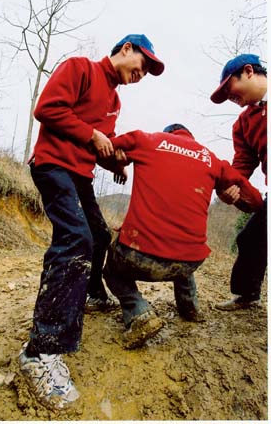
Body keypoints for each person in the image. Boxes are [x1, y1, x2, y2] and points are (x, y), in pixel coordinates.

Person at [18, 34, 164, 410]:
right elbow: (48, 109)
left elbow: (97, 146)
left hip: (80, 174)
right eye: (142, 64)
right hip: (52, 165)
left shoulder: (114, 101)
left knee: (99, 235)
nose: (142, 73)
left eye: (148, 71)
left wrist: (114, 160)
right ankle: (41, 350)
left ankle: (90, 293)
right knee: (76, 238)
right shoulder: (79, 68)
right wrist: (93, 134)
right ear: (126, 48)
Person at [102, 123, 264, 350]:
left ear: (168, 134)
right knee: (184, 249)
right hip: (189, 263)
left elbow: (103, 147)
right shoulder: (210, 158)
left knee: (111, 269)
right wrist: (230, 195)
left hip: (139, 256)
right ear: (191, 137)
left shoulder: (147, 140)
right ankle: (190, 308)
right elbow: (256, 201)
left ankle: (139, 313)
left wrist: (117, 163)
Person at [210, 54, 267, 311]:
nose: (229, 99)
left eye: (229, 89)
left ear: (248, 71)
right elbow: (242, 167)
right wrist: (228, 187)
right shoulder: (243, 124)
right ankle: (247, 295)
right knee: (251, 239)